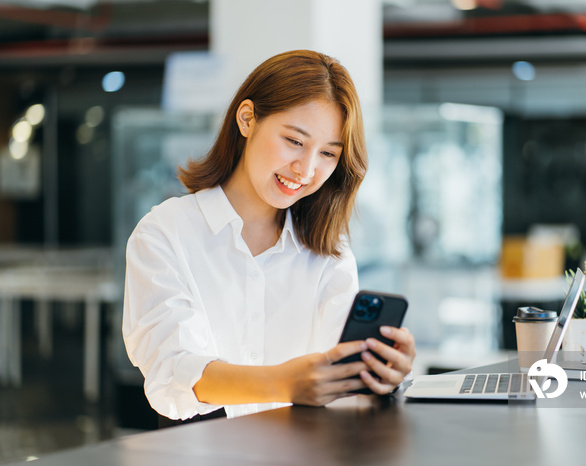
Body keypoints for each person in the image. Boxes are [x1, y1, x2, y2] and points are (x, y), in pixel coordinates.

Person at [122, 49, 416, 423]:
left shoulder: (329, 253)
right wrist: (284, 383)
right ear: (247, 119)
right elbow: (175, 372)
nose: (306, 169)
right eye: (294, 141)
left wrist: (382, 376)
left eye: (327, 153)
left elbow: (344, 382)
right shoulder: (165, 233)